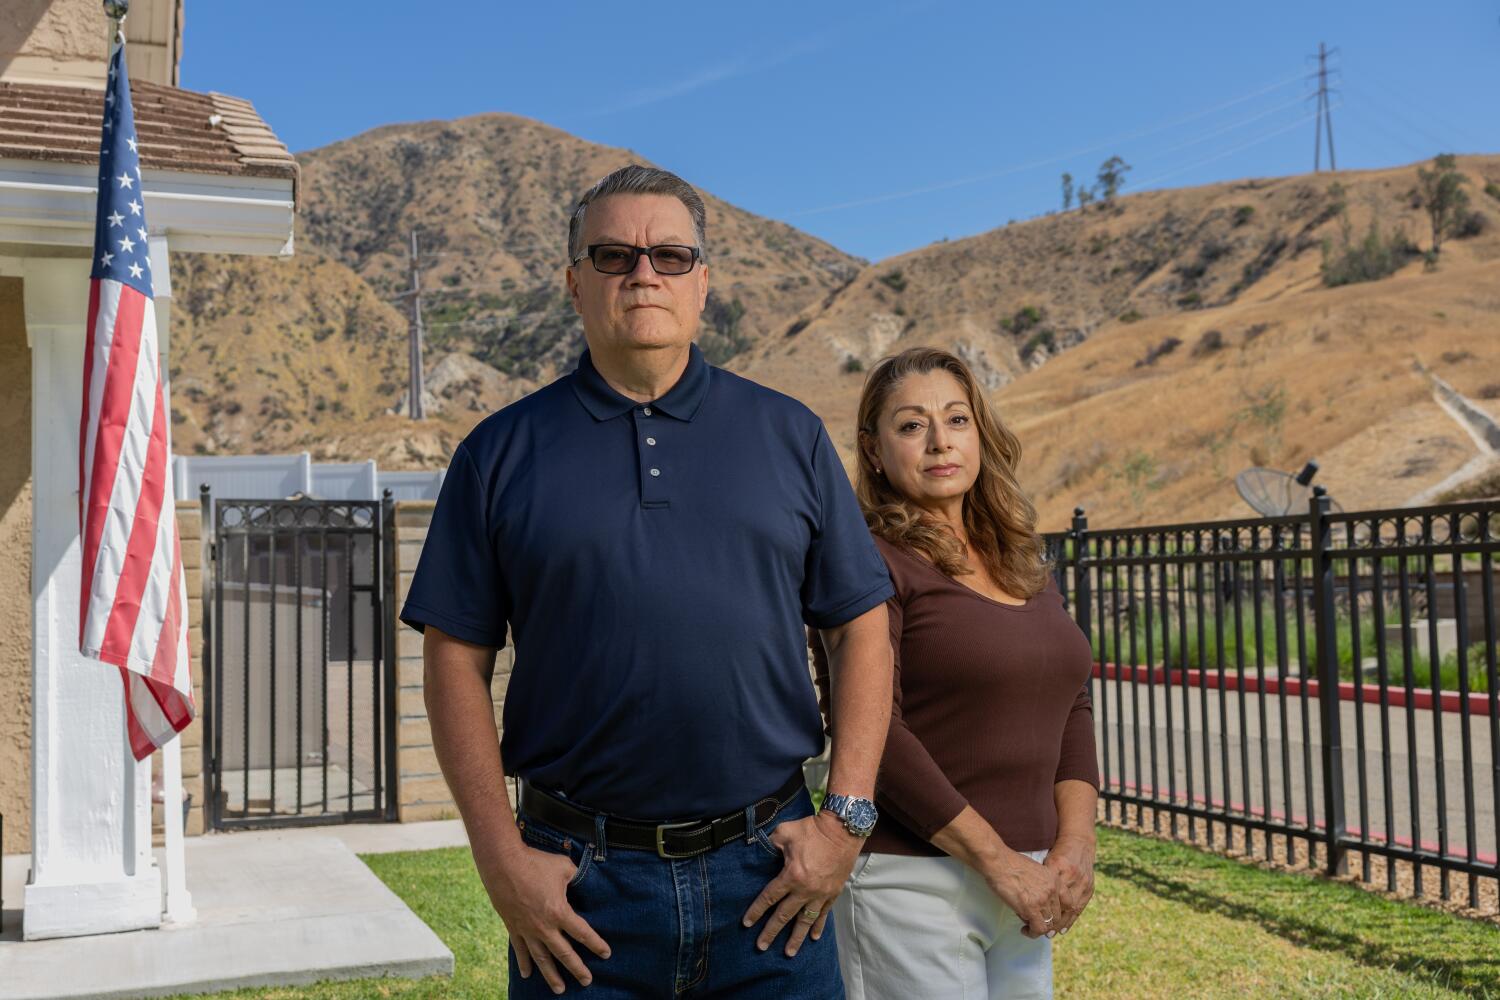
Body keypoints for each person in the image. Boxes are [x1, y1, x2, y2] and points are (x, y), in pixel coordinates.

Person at [400, 164, 895, 999]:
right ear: (573, 283)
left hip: (770, 885)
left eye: (670, 256)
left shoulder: (789, 436)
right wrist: (498, 857)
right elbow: (455, 661)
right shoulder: (498, 453)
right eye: (613, 255)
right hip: (580, 899)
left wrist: (844, 822)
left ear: (703, 284)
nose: (642, 274)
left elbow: (861, 629)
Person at [812, 347, 1099, 1000]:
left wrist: (1076, 846)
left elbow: (1071, 704)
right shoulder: (868, 565)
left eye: (957, 419)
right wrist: (998, 863)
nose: (940, 441)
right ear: (875, 450)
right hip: (912, 884)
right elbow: (874, 731)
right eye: (912, 425)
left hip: (1030, 881)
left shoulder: (1018, 559)